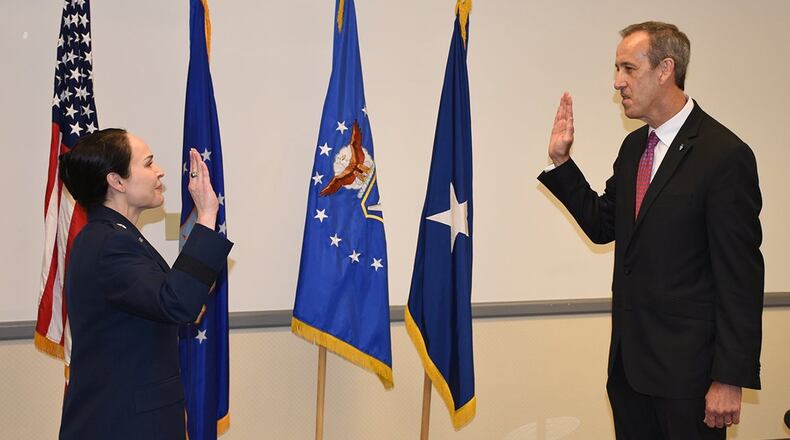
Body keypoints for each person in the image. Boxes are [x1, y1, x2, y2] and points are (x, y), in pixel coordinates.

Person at [538, 22, 763, 439]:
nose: (617, 82)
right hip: (630, 370)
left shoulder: (724, 155)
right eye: (617, 69)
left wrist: (729, 377)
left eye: (628, 68)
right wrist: (562, 164)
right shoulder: (634, 148)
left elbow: (740, 278)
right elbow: (604, 225)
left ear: (665, 69)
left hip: (689, 380)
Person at [57, 128, 233, 440]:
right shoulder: (110, 243)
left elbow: (169, 304)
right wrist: (206, 215)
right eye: (148, 163)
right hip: (122, 425)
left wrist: (186, 300)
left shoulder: (115, 237)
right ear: (117, 181)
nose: (159, 171)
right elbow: (177, 302)